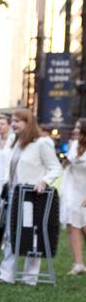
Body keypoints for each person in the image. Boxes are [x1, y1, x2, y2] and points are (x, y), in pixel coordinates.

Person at [0, 108, 61, 285]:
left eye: (17, 121)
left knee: (31, 234)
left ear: (28, 123)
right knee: (11, 233)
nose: (13, 124)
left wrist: (44, 181)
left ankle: (30, 277)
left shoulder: (42, 143)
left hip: (32, 196)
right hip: (15, 194)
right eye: (13, 121)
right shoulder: (17, 143)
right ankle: (6, 274)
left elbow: (55, 167)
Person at [62, 118, 86, 275]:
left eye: (78, 127)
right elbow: (68, 164)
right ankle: (78, 264)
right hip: (72, 189)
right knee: (72, 225)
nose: (75, 130)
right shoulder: (74, 145)